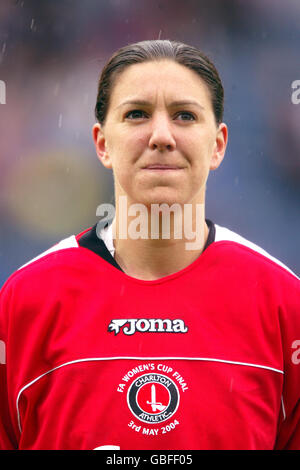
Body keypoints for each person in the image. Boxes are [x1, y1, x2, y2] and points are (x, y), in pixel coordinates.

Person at [0, 39, 299, 450]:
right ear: (102, 143)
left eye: (185, 116)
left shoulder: (282, 300)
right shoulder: (26, 299)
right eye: (137, 114)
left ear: (218, 145)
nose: (161, 135)